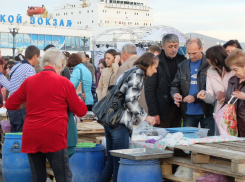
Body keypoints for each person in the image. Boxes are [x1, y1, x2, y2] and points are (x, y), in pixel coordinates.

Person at [5, 48, 88, 182]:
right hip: (54, 135)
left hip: (32, 135)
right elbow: (81, 111)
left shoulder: (30, 81)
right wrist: (78, 97)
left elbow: (10, 104)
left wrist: (30, 101)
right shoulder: (64, 83)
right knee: (63, 177)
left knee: (38, 177)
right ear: (60, 63)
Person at [100, 52, 157, 182]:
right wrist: (145, 117)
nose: (155, 70)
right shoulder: (138, 74)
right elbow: (130, 101)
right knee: (119, 164)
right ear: (149, 65)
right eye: (155, 67)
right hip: (119, 122)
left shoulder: (130, 70)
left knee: (111, 163)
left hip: (110, 120)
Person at [171, 38, 214, 136]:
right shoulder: (182, 65)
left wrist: (194, 97)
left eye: (194, 53)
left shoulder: (209, 64)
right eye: (189, 53)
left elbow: (210, 88)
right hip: (188, 112)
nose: (191, 56)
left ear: (201, 48)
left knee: (209, 143)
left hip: (206, 111)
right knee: (188, 145)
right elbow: (175, 85)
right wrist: (175, 94)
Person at [145, 34, 186, 128]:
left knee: (176, 138)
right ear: (163, 46)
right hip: (162, 110)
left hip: (178, 108)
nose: (173, 49)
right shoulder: (155, 61)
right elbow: (149, 89)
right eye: (170, 46)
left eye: (176, 46)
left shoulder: (182, 60)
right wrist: (154, 113)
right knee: (161, 139)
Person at [197, 46, 233, 135]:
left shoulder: (233, 70)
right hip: (220, 112)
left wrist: (227, 97)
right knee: (220, 138)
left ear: (216, 59)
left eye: (209, 58)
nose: (207, 60)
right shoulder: (209, 72)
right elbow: (211, 97)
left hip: (235, 111)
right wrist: (204, 95)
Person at [8, 45, 39, 132]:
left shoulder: (15, 66)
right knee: (21, 136)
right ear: (35, 56)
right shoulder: (29, 69)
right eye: (38, 58)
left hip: (11, 106)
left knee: (14, 136)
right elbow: (33, 89)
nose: (38, 61)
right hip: (20, 108)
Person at [114, 44, 148, 112]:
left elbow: (116, 89)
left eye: (121, 54)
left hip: (129, 110)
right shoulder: (145, 64)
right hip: (145, 107)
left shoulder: (124, 67)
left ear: (125, 54)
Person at [223, 49, 245, 137]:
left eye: (235, 69)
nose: (233, 73)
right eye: (232, 70)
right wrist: (220, 113)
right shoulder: (232, 80)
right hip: (233, 126)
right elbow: (227, 101)